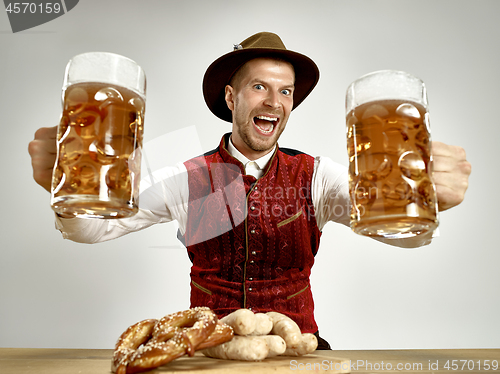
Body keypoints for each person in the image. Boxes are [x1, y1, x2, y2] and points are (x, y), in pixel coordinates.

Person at [28, 32, 471, 349]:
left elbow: (397, 230)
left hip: (300, 350)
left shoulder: (318, 177)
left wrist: (429, 201)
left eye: (285, 92)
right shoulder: (189, 178)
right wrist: (70, 190)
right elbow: (91, 231)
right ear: (230, 97)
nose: (273, 102)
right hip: (207, 355)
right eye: (259, 86)